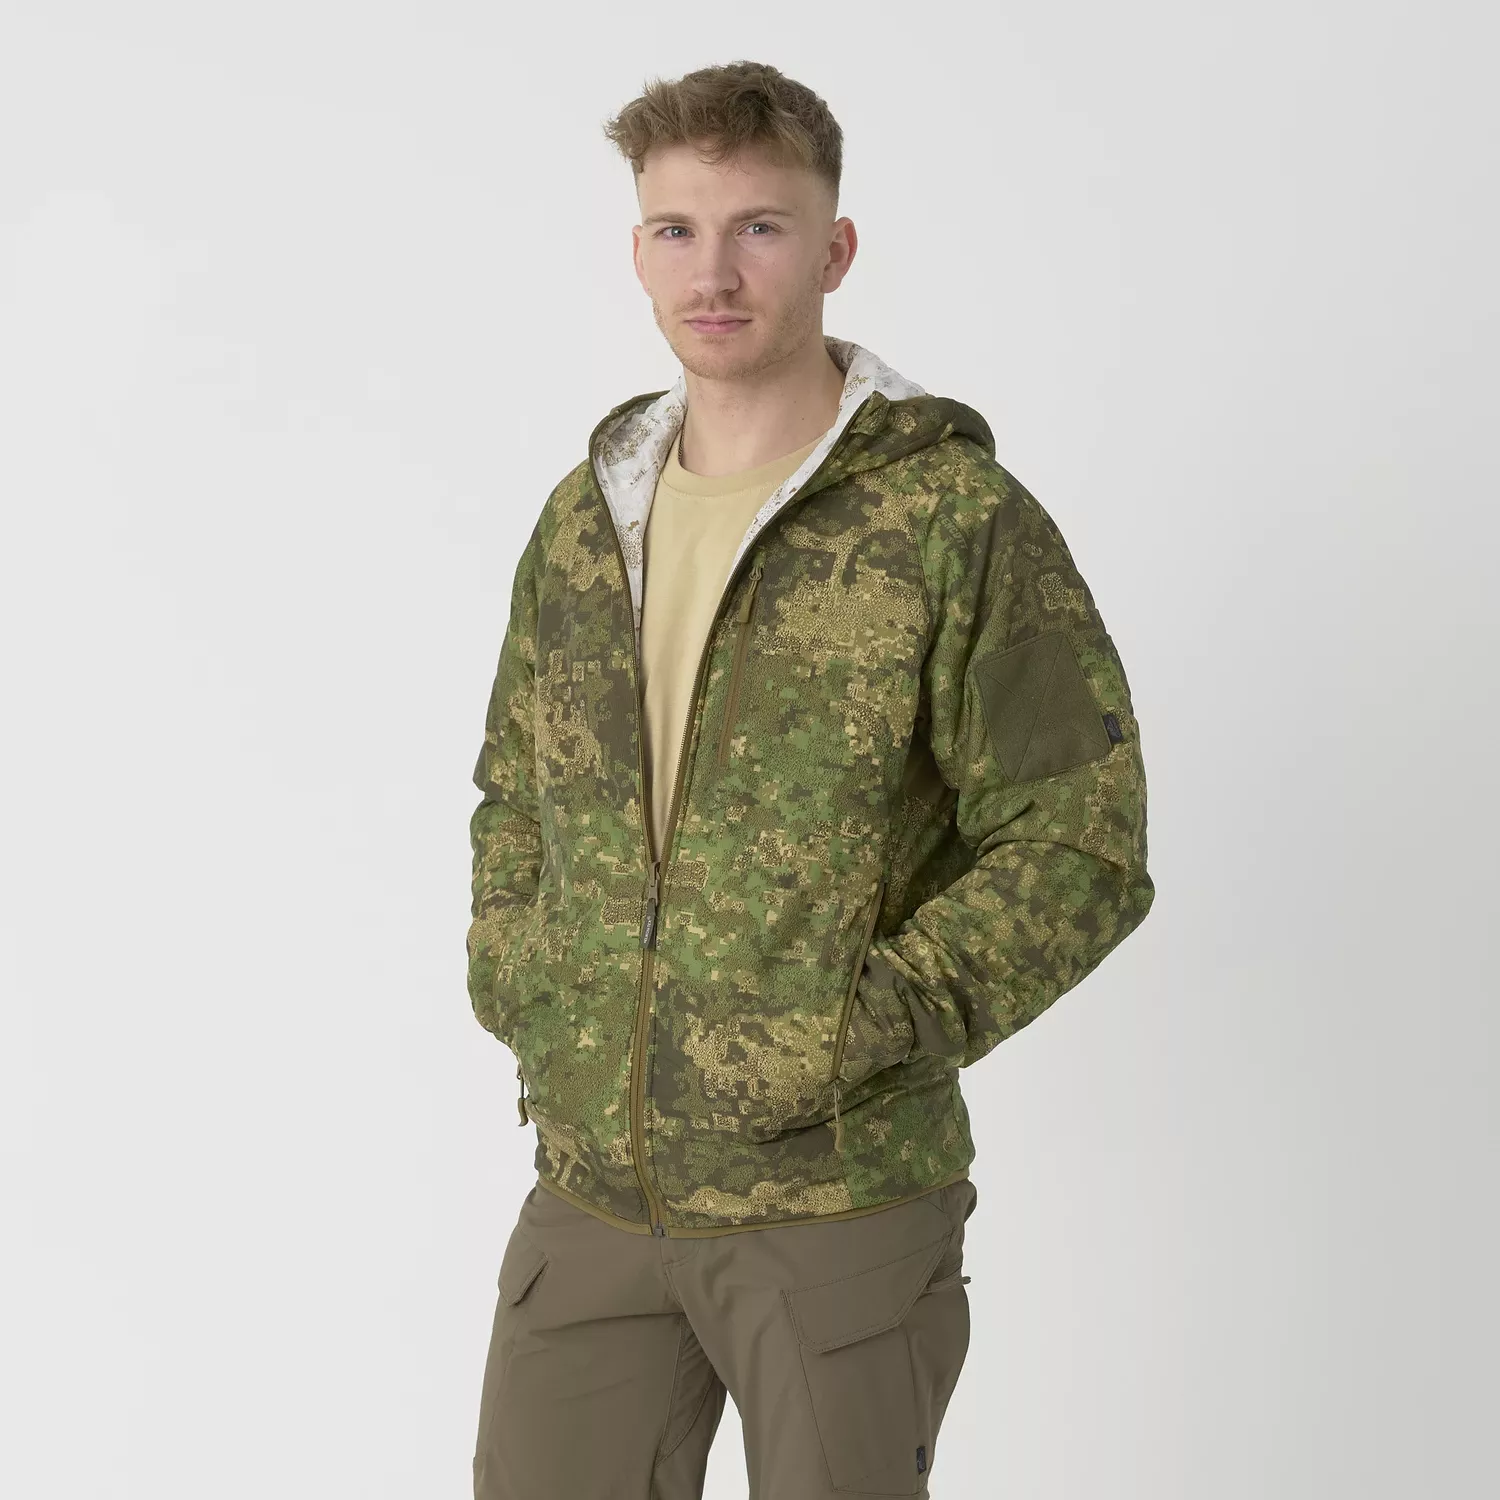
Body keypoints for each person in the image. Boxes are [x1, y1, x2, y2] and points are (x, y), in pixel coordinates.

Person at [465, 58, 1154, 1500]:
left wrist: (857, 1027)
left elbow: (1078, 839)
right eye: (677, 230)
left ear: (835, 250)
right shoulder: (587, 520)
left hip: (837, 1199)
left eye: (759, 229)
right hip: (595, 1191)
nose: (713, 273)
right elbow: (515, 789)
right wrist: (523, 972)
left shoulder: (948, 518)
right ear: (637, 251)